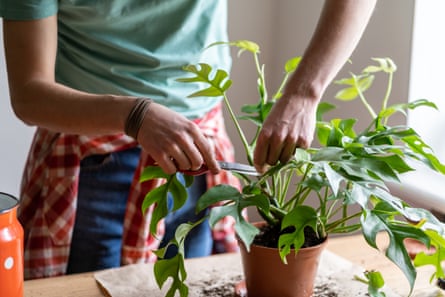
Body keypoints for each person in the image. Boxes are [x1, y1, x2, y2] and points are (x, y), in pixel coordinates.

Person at [0, 0, 376, 280]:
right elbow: (29, 94)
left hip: (202, 164)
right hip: (92, 170)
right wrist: (135, 115)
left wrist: (304, 94)